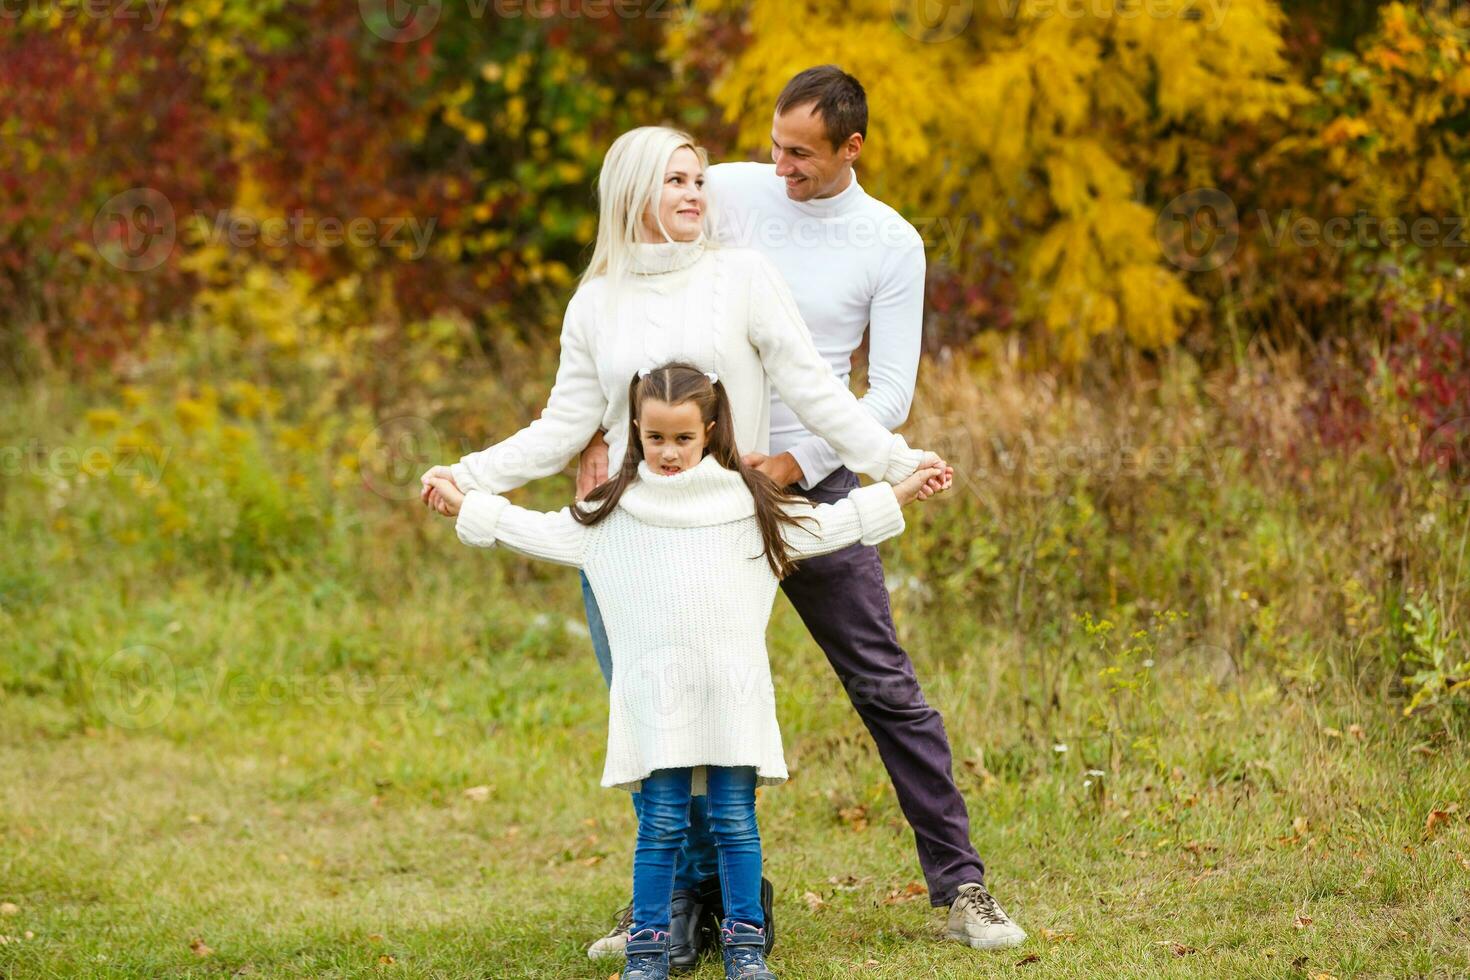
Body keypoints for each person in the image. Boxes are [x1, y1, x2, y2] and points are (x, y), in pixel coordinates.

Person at [574, 67, 1026, 958]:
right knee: (659, 687)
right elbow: (640, 276)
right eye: (774, 145)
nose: (776, 167)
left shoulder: (890, 243)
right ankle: (679, 901)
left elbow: (886, 391)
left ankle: (962, 883)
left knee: (882, 683)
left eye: (800, 155)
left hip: (805, 486)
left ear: (851, 148)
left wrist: (798, 461)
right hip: (694, 479)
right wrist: (602, 434)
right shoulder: (733, 190)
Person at [424, 362, 948, 980]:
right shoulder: (612, 514)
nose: (668, 452)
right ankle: (646, 948)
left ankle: (745, 946)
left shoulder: (749, 504)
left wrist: (905, 486)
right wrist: (466, 503)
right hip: (656, 704)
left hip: (732, 698)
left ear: (710, 431)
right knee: (662, 823)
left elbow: (832, 524)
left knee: (734, 821)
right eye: (654, 438)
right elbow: (530, 528)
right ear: (634, 433)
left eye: (683, 438)